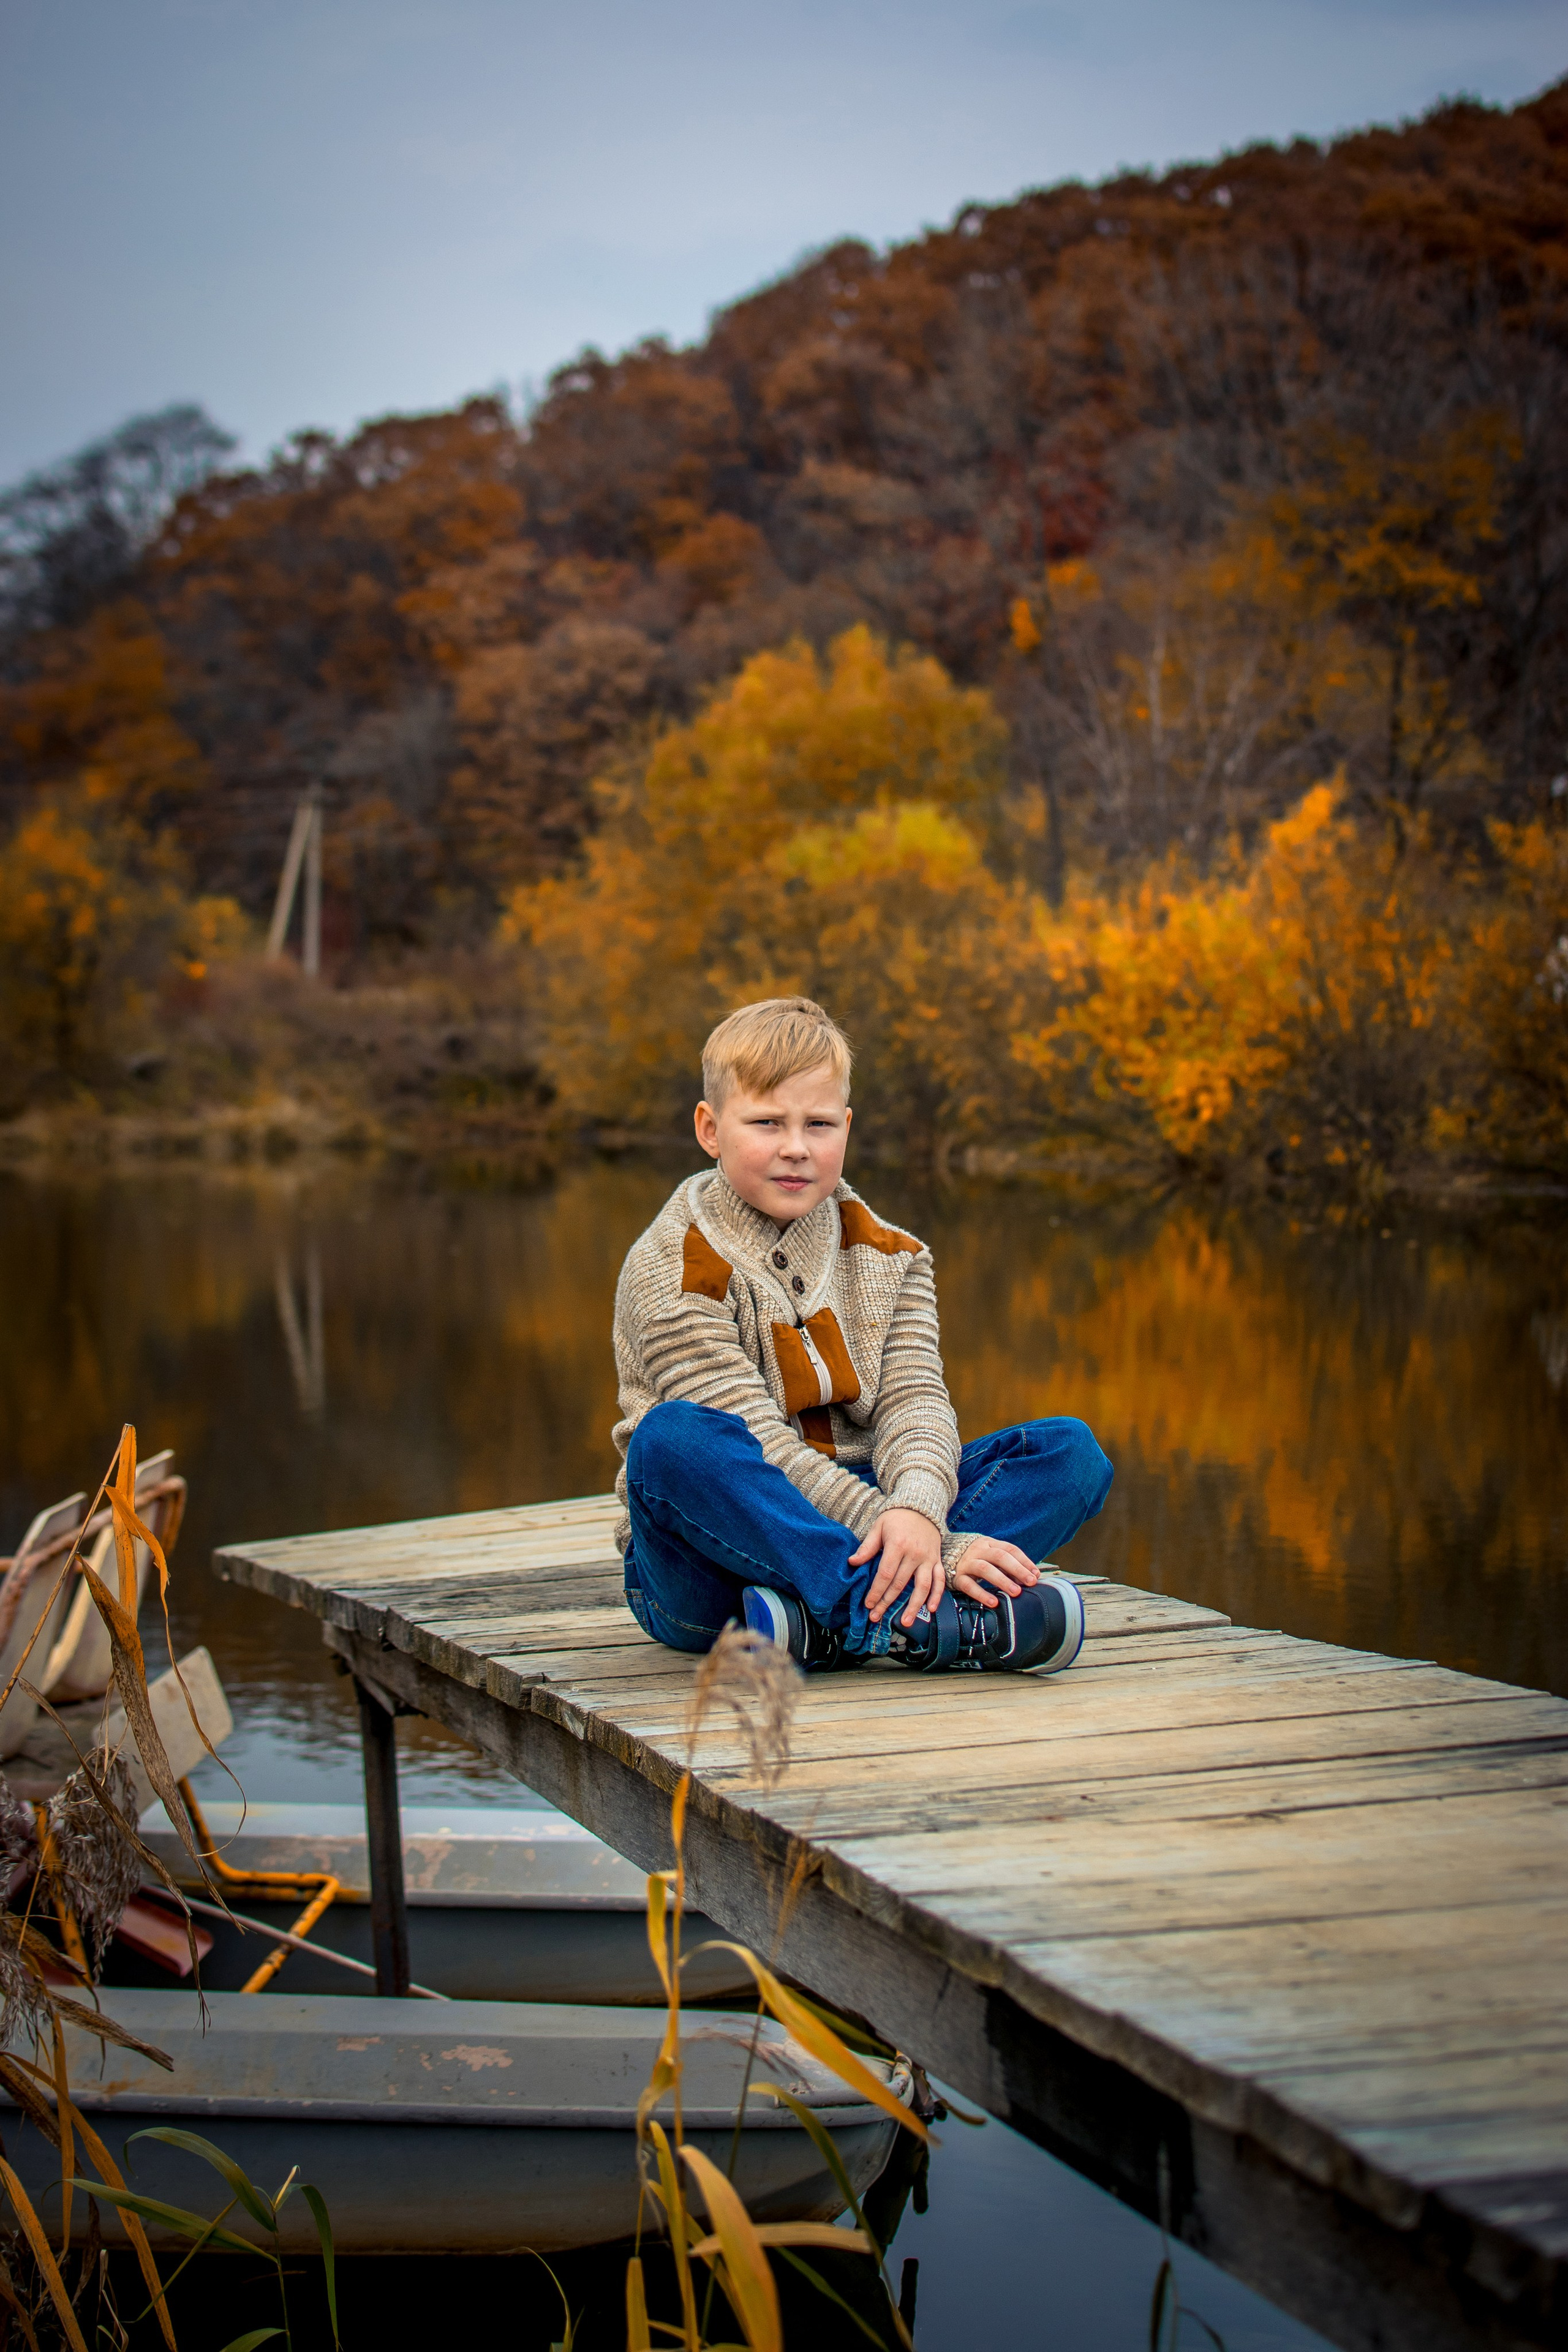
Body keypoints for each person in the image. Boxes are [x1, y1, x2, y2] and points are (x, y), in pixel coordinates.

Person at [611, 997, 1112, 1674]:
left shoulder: (893, 1254)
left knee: (1070, 1455)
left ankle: (824, 1625)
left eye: (818, 1124)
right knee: (673, 1440)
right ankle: (909, 1618)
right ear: (710, 1128)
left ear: (845, 1127)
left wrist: (917, 1512)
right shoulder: (673, 1264)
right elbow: (754, 1435)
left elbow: (915, 1403)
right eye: (765, 1122)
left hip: (870, 1503)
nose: (795, 1147)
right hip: (712, 1563)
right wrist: (938, 1545)